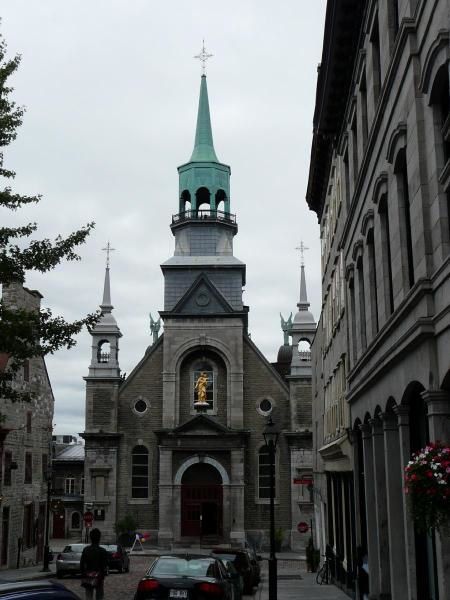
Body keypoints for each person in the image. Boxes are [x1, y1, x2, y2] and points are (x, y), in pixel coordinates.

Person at [80, 528, 108, 600]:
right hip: (99, 577)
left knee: (88, 596)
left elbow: (82, 564)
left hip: (88, 576)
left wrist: (83, 573)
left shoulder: (86, 549)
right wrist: (103, 573)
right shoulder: (102, 551)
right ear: (99, 538)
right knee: (99, 595)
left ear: (90, 538)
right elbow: (104, 565)